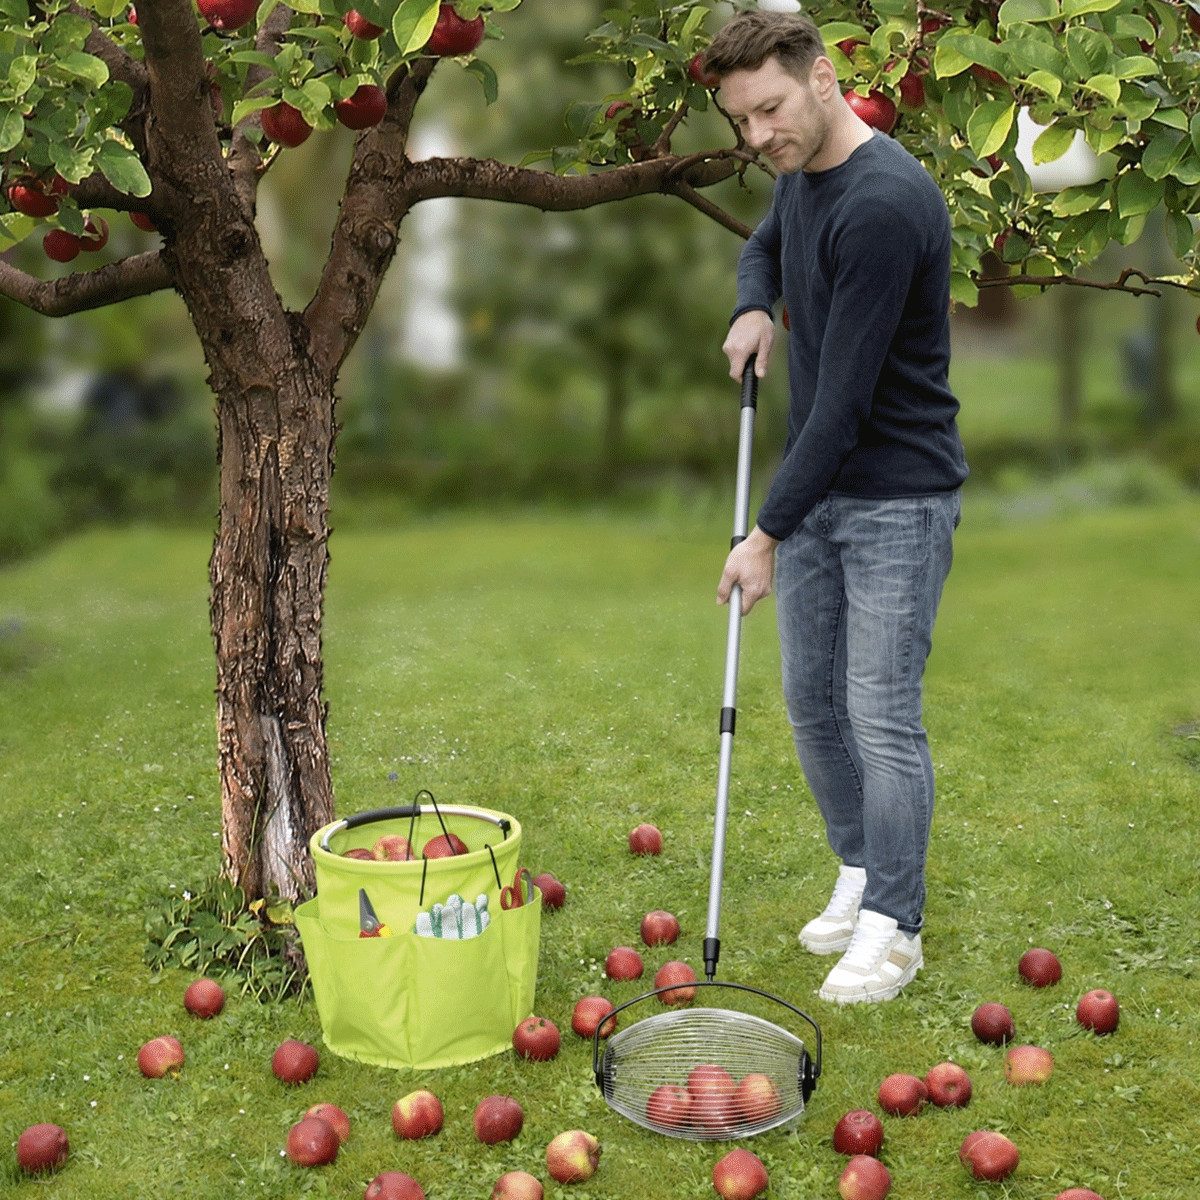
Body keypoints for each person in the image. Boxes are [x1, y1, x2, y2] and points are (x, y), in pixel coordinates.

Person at [702, 12, 968, 1004]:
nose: (757, 136)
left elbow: (847, 405)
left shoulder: (884, 204)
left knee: (881, 715)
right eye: (742, 121)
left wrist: (762, 535)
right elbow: (764, 249)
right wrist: (752, 304)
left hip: (897, 495)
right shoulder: (802, 174)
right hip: (818, 488)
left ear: (823, 79)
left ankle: (897, 925)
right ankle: (860, 868)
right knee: (813, 703)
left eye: (769, 110)